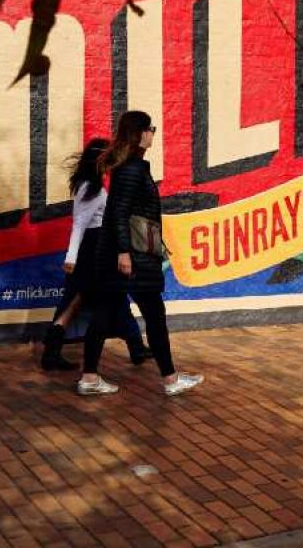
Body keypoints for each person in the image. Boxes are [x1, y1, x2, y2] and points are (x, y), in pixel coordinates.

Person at [77, 110, 203, 396]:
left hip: (125, 255)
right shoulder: (131, 169)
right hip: (132, 258)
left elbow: (126, 212)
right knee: (154, 314)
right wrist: (124, 252)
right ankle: (170, 379)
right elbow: (119, 213)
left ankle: (90, 378)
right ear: (139, 133)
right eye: (151, 129)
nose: (153, 134)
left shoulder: (129, 167)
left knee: (104, 314)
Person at [41, 138, 151, 371]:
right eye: (110, 159)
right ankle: (135, 348)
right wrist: (71, 257)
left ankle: (52, 353)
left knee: (80, 301)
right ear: (101, 160)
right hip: (95, 251)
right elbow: (79, 224)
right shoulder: (91, 189)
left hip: (95, 248)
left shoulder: (90, 186)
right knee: (101, 299)